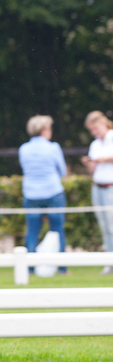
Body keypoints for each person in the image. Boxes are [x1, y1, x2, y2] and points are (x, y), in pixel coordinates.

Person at [18, 115, 69, 275]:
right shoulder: (53, 147)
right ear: (43, 130)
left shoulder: (23, 149)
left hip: (31, 194)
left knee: (32, 231)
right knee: (57, 229)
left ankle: (30, 268)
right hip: (53, 192)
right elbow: (62, 171)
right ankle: (62, 268)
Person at [81, 110, 113, 274]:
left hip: (111, 187)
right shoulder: (95, 144)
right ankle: (109, 261)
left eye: (95, 128)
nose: (94, 133)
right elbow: (94, 170)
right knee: (105, 227)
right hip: (98, 187)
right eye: (91, 130)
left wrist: (105, 159)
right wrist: (89, 163)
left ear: (103, 123)